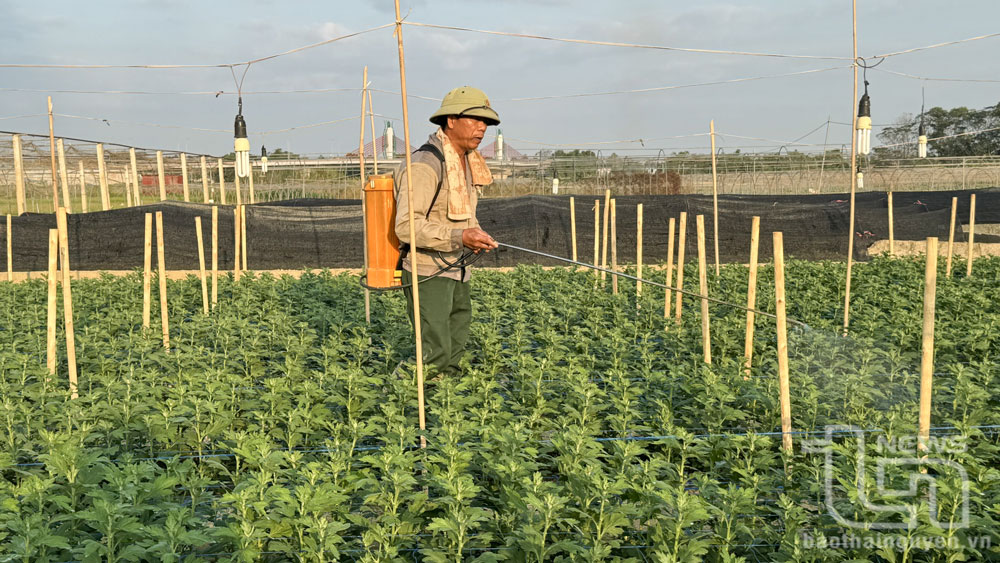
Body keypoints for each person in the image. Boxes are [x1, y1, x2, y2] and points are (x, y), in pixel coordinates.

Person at [394, 86, 500, 376]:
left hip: (457, 267)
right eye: (476, 120)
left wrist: (474, 234)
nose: (482, 128)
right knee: (434, 352)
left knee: (453, 350)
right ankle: (398, 401)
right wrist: (460, 237)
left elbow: (462, 218)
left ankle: (447, 406)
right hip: (429, 271)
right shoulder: (425, 164)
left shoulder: (465, 161)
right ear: (450, 120)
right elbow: (407, 226)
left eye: (486, 123)